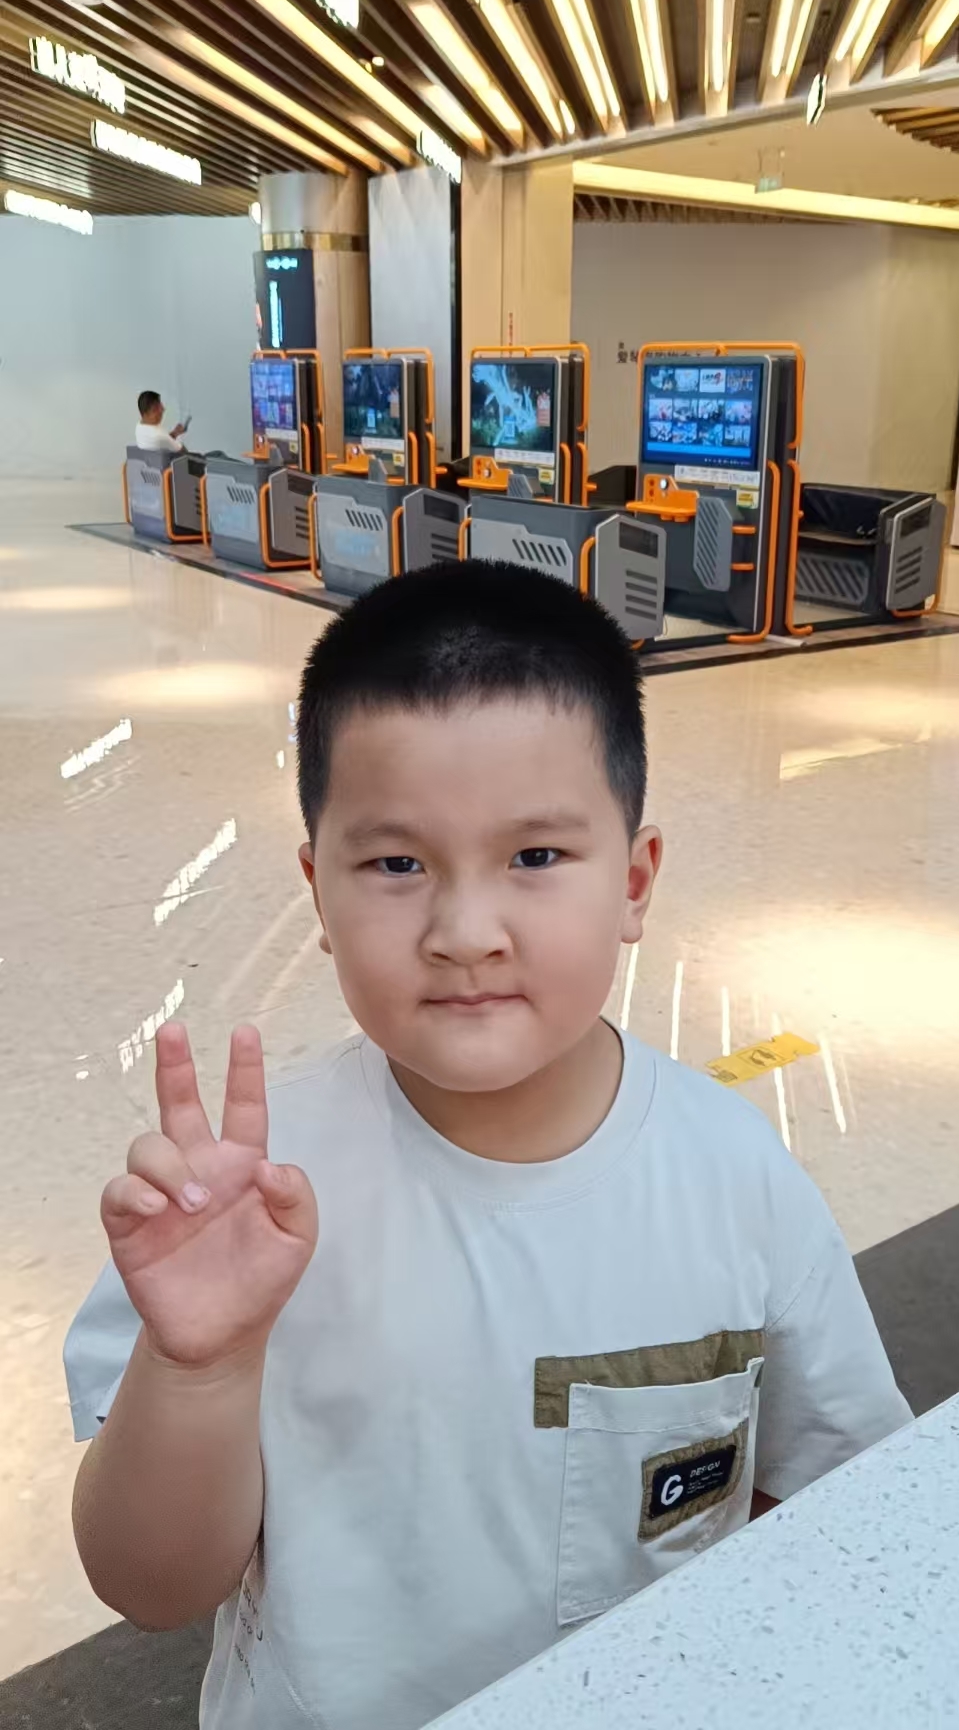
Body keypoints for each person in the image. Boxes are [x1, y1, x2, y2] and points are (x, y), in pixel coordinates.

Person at [65, 562, 910, 1730]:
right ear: (317, 890)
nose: (465, 934)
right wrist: (199, 1366)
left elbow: (845, 1501)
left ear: (635, 880)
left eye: (536, 857)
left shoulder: (736, 1176)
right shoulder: (243, 1206)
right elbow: (150, 1587)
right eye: (397, 864)